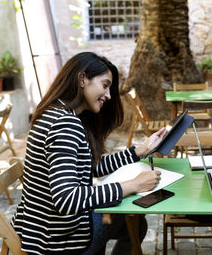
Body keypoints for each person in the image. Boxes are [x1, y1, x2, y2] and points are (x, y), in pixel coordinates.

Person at [12, 52, 167, 254]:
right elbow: (67, 198)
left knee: (123, 213)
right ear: (82, 78)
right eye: (105, 85)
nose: (109, 95)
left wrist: (140, 150)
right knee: (136, 222)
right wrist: (133, 184)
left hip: (41, 231)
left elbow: (90, 167)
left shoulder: (54, 113)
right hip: (58, 240)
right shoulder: (65, 124)